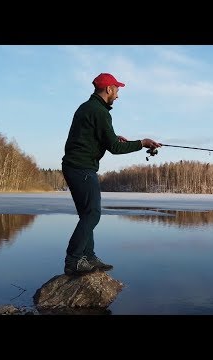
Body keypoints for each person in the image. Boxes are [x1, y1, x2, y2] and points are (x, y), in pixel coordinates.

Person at [61, 72, 161, 276]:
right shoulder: (99, 111)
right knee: (93, 213)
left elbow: (93, 135)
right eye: (116, 90)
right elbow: (115, 148)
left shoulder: (88, 108)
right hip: (82, 168)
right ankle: (73, 260)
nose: (117, 95)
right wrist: (141, 143)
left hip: (76, 166)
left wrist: (113, 137)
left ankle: (88, 257)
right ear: (108, 89)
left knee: (87, 214)